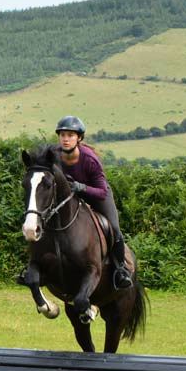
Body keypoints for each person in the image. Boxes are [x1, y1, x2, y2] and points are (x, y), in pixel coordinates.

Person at [54, 116, 132, 289]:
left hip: (96, 195)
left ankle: (121, 269)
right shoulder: (55, 155)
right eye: (62, 135)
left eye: (70, 135)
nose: (66, 139)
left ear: (79, 138)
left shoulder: (90, 159)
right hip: (70, 197)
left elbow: (102, 191)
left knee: (113, 227)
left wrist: (82, 187)